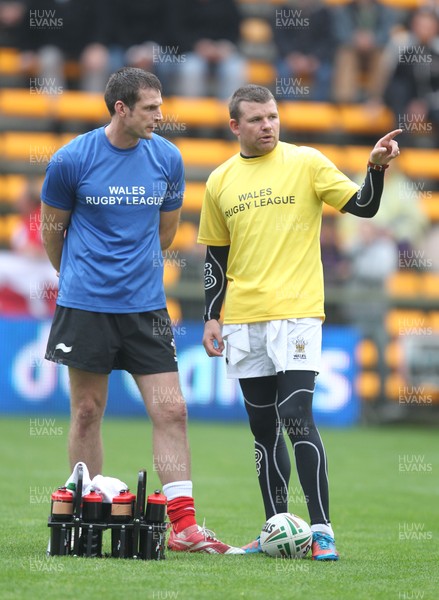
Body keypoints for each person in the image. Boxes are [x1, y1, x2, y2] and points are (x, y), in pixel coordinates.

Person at [40, 67, 244, 555]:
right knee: (87, 412)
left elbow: (166, 232)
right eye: (151, 107)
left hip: (147, 306)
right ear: (121, 109)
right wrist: (80, 278)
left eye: (161, 105)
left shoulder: (167, 158)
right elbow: (53, 231)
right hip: (85, 304)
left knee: (172, 409)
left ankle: (184, 527)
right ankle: (87, 516)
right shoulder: (72, 159)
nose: (160, 115)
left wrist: (133, 272)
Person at [198, 84, 401, 560]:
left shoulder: (307, 162)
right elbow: (214, 255)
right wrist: (211, 315)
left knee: (295, 417)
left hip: (297, 313)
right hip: (243, 319)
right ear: (235, 126)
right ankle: (275, 527)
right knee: (262, 429)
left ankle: (322, 529)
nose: (267, 125)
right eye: (256, 119)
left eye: (272, 116)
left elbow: (364, 206)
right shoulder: (219, 180)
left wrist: (374, 167)